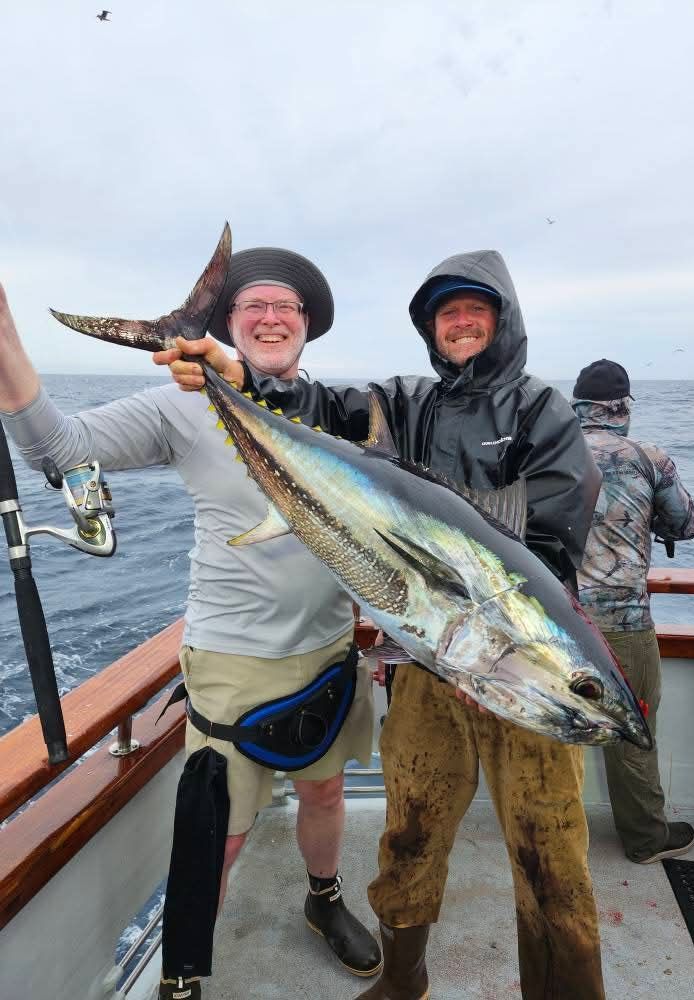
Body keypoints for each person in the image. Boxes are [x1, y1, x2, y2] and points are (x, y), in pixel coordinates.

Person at [163, 250, 607, 1000]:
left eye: (475, 309)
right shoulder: (408, 404)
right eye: (446, 313)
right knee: (410, 833)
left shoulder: (541, 410)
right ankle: (404, 982)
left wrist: (495, 657)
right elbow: (317, 412)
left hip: (524, 673)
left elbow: (553, 548)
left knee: (549, 856)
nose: (460, 323)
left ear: (504, 321)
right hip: (429, 665)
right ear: (430, 330)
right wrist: (236, 374)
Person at [0, 248, 381, 1000]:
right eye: (254, 307)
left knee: (327, 794)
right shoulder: (184, 405)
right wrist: (7, 341)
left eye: (287, 307)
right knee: (224, 833)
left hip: (333, 649)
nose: (272, 317)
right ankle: (182, 973)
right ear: (229, 326)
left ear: (307, 326)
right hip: (233, 660)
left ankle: (324, 896)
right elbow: (59, 450)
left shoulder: (343, 416)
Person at [571, 359, 694, 865]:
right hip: (624, 625)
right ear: (623, 408)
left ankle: (546, 833)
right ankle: (646, 838)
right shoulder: (650, 458)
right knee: (634, 729)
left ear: (577, 406)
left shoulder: (546, 452)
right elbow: (685, 524)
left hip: (556, 620)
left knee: (554, 726)